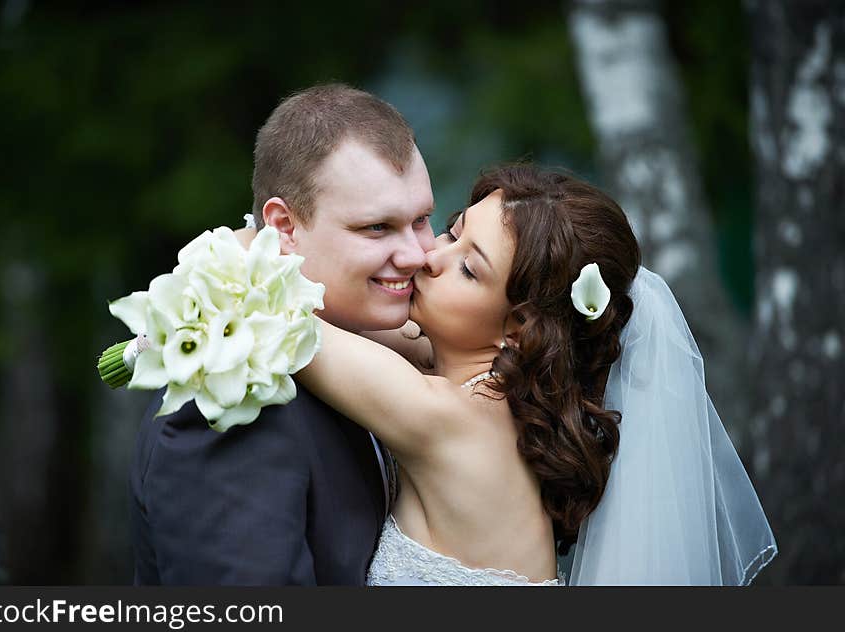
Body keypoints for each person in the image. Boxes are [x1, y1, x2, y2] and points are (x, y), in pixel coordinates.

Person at [295, 164, 777, 585]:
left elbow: (282, 322)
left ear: (519, 331)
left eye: (468, 268)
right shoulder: (500, 397)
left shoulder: (449, 419)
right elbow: (360, 324)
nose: (429, 257)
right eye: (451, 230)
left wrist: (257, 236)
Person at [130, 83, 436, 584]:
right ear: (284, 226)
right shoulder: (228, 396)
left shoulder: (367, 350)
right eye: (377, 228)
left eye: (421, 219)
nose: (416, 254)